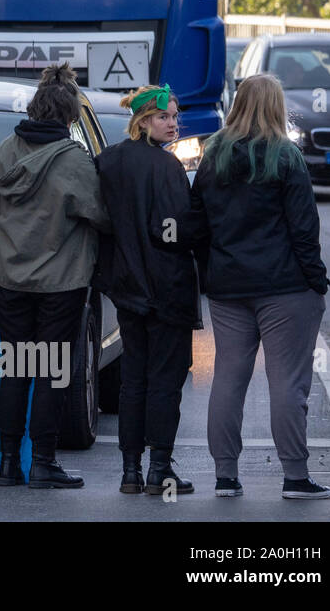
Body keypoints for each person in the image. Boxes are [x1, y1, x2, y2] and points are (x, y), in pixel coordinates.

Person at [184, 74, 330, 499]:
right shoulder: (287, 158)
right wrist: (316, 283)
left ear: (238, 104)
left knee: (229, 378)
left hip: (229, 287)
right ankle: (295, 477)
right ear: (275, 107)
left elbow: (199, 226)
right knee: (287, 382)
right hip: (285, 287)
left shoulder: (213, 156)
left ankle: (226, 477)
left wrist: (212, 272)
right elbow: (304, 231)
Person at [0, 63, 109, 489]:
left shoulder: (4, 150)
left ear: (36, 107)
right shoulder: (73, 160)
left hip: (10, 278)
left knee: (16, 368)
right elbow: (98, 213)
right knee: (52, 370)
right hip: (61, 282)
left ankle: (6, 464)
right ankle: (42, 461)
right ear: (71, 114)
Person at [94, 84, 198, 496]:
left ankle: (130, 471)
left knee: (133, 380)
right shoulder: (167, 168)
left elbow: (100, 220)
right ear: (142, 121)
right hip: (165, 288)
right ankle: (159, 468)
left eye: (174, 116)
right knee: (165, 381)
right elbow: (174, 229)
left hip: (126, 288)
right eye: (163, 117)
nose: (172, 124)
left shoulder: (108, 162)